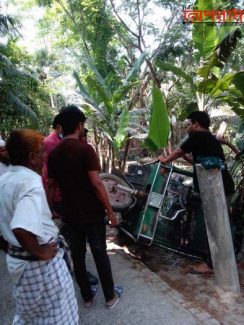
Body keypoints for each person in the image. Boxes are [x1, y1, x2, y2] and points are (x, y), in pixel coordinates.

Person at [0, 129, 79, 324]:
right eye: (42, 151)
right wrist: (41, 252)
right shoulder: (31, 182)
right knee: (58, 317)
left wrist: (10, 248)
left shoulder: (4, 180)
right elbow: (20, 227)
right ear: (32, 157)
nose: (45, 155)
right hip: (39, 267)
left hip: (18, 262)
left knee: (30, 317)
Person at [47, 105, 122, 308]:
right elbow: (97, 183)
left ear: (62, 128)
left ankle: (87, 298)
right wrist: (109, 210)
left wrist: (50, 208)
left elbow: (51, 185)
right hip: (91, 213)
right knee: (99, 253)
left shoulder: (54, 154)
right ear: (80, 126)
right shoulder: (85, 149)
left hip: (69, 214)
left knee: (78, 256)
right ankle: (110, 297)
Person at [158, 111, 235, 274]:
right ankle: (217, 262)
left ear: (196, 124)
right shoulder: (209, 139)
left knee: (216, 227)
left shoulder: (197, 136)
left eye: (188, 124)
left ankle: (212, 265)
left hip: (217, 189)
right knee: (218, 225)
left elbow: (178, 151)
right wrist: (187, 159)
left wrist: (164, 160)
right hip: (222, 187)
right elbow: (200, 162)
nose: (187, 128)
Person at [43, 113, 98, 285]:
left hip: (68, 197)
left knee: (75, 241)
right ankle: (75, 273)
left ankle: (79, 274)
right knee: (72, 242)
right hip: (62, 198)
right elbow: (49, 180)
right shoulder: (50, 144)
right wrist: (49, 206)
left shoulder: (67, 144)